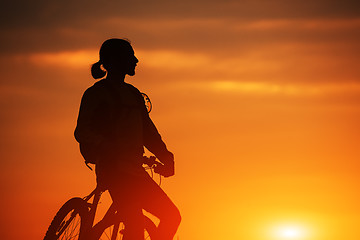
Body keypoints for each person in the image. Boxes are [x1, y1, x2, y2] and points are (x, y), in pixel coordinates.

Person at [74, 38, 181, 240]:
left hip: (135, 173)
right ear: (116, 60)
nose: (136, 60)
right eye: (131, 56)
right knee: (135, 227)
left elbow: (148, 132)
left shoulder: (133, 94)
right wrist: (105, 145)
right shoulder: (96, 93)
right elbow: (82, 131)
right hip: (114, 171)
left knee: (172, 216)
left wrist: (166, 156)